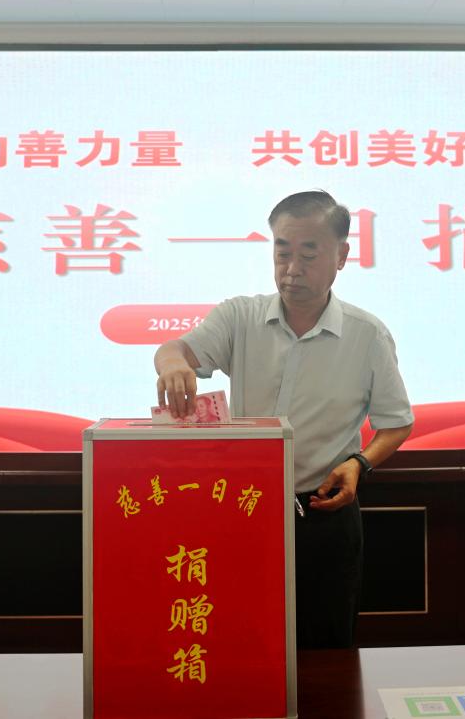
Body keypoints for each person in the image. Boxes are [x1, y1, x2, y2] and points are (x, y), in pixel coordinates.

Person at [154, 190, 413, 648]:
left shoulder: (367, 335)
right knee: (240, 641)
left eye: (308, 255)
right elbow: (176, 350)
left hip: (324, 514)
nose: (292, 268)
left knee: (326, 649)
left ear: (342, 257)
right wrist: (173, 364)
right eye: (282, 251)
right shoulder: (241, 317)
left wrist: (360, 463)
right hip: (242, 510)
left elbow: (396, 422)